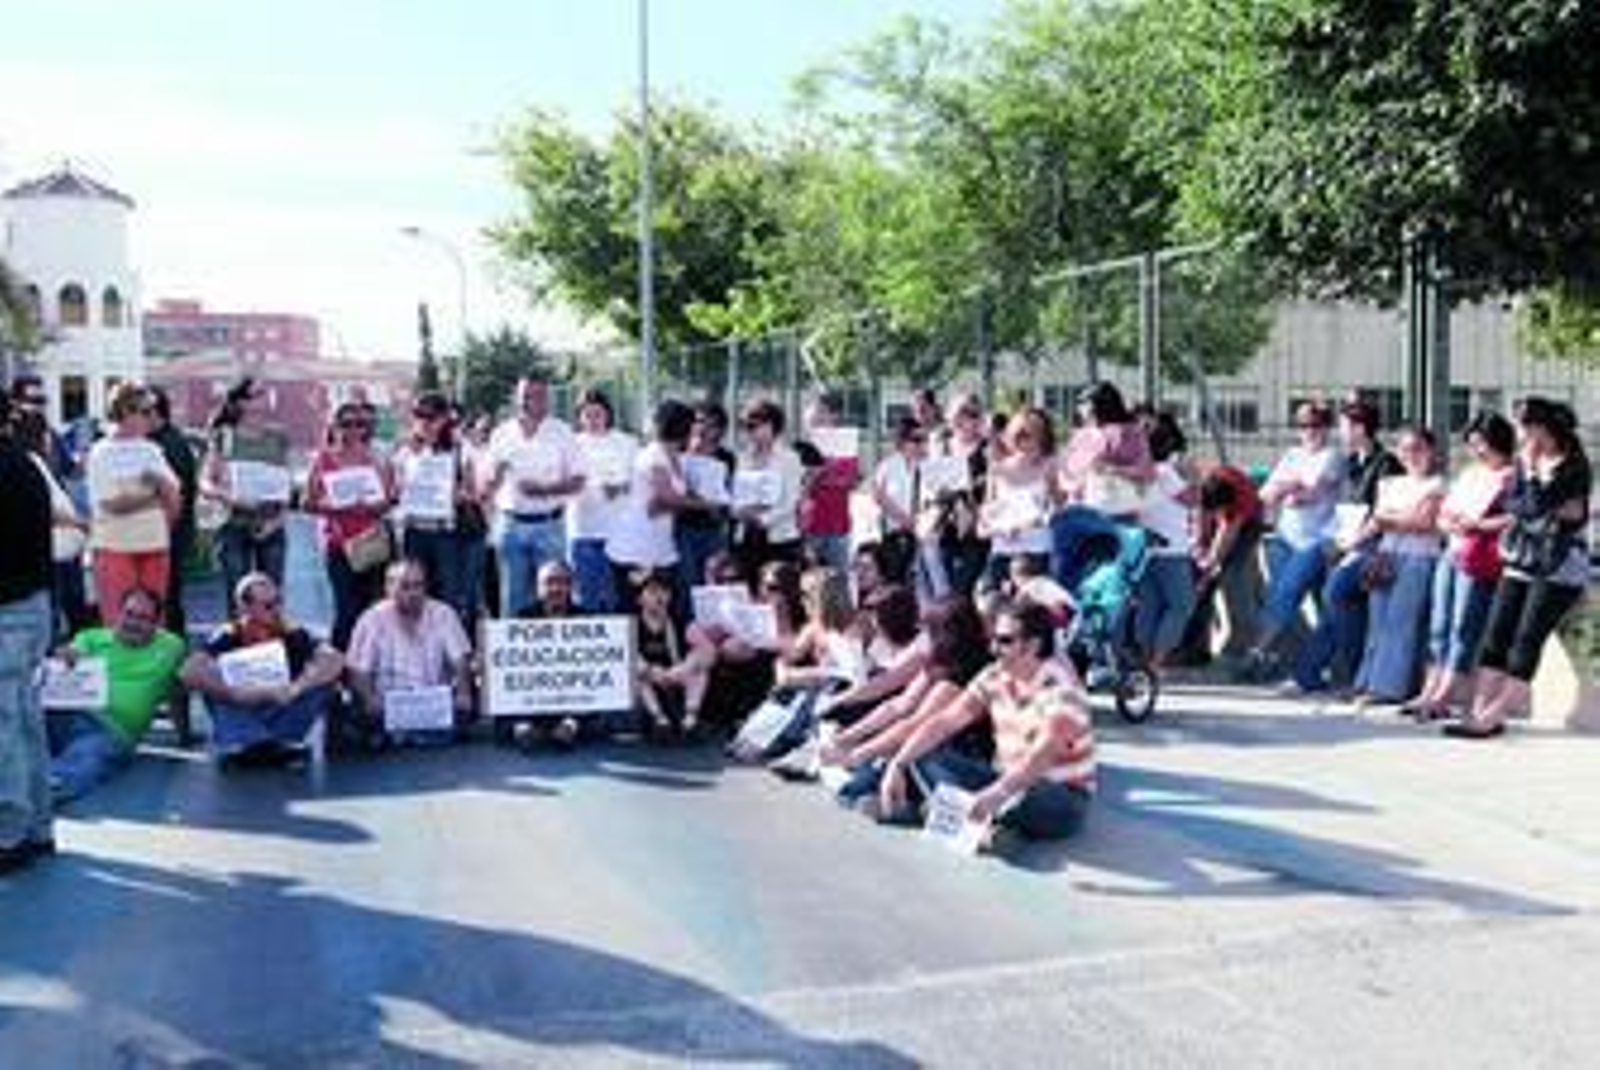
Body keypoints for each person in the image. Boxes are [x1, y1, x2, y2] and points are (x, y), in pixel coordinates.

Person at [875, 600, 1095, 845]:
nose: (993, 648)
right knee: (924, 752)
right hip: (1004, 777)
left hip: (1058, 794)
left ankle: (947, 814)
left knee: (1021, 796)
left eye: (1004, 641)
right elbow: (946, 721)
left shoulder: (1062, 691)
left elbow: (1040, 756)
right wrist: (898, 763)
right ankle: (989, 828)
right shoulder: (994, 675)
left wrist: (995, 794)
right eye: (993, 638)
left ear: (1033, 645)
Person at [1445, 398, 1593, 739]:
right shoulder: (1524, 463)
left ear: (1543, 427)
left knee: (1526, 639)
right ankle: (1480, 711)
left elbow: (1534, 504)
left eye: (1525, 427)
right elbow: (1513, 504)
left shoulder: (1573, 465)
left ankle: (1493, 716)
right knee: (1496, 635)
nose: (1520, 435)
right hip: (1521, 557)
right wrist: (1538, 497)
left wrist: (1530, 477)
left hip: (1558, 566)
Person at [1403, 412, 1517, 721]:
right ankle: (1429, 690)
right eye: (1472, 445)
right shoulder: (1470, 473)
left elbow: (1514, 518)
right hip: (1452, 552)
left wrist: (1476, 523)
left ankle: (1444, 695)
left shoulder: (1511, 476)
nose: (1477, 451)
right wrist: (1449, 521)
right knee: (1439, 626)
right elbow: (1445, 511)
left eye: (1481, 444)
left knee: (1463, 628)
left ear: (1498, 441)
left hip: (1478, 557)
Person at [1290, 397, 1405, 695]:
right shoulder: (1353, 462)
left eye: (1344, 426)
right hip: (1348, 541)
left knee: (1336, 593)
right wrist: (1339, 539)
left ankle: (1353, 674)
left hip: (1374, 546)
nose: (1340, 432)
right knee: (1335, 604)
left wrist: (1355, 539)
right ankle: (1309, 672)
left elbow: (1383, 511)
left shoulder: (1386, 463)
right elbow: (1346, 507)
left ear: (1360, 428)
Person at [180, 573, 344, 769]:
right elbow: (188, 671)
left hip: (280, 704)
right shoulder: (228, 633)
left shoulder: (290, 630)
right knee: (209, 682)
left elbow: (334, 659)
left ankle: (270, 744)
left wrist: (298, 687)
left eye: (278, 602)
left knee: (325, 683)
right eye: (268, 605)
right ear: (244, 607)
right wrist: (231, 692)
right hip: (243, 706)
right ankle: (256, 744)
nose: (276, 610)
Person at [44, 587, 185, 802]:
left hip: (111, 731)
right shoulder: (91, 637)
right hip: (66, 715)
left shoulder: (171, 647)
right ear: (118, 614)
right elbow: (72, 654)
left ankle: (37, 792)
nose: (133, 623)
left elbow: (179, 688)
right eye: (128, 614)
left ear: (157, 623)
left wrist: (184, 733)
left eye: (143, 618)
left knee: (86, 758)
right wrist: (66, 656)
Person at [1241, 400, 1342, 681]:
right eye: (1303, 425)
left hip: (1314, 540)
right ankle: (1302, 660)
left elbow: (1310, 494)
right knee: (1282, 598)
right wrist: (1292, 486)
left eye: (1316, 424)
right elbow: (1266, 495)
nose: (1309, 431)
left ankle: (1258, 653)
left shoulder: (1331, 456)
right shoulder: (1292, 454)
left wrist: (1290, 488)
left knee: (1286, 594)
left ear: (1326, 427)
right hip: (1283, 537)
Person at [0, 389, 57, 873]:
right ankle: (37, 826)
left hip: (9, 611)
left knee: (5, 725)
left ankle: (9, 832)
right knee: (24, 718)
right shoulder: (24, 464)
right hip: (30, 605)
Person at [1348, 426, 1447, 704]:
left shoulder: (1438, 484)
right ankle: (1366, 681)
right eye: (1405, 449)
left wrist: (1388, 518)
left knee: (1399, 623)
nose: (1411, 455)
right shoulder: (1390, 483)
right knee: (1377, 623)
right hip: (1385, 556)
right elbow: (1376, 521)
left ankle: (1386, 688)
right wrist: (1359, 537)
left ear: (1431, 451)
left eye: (1418, 448)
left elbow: (1424, 523)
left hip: (1419, 558)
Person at [345, 559, 474, 748]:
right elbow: (358, 670)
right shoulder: (371, 619)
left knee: (465, 709)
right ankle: (408, 736)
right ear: (388, 588)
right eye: (405, 586)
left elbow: (460, 659)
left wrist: (464, 692)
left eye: (418, 586)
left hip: (432, 703)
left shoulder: (444, 613)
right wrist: (370, 699)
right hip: (389, 704)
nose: (413, 593)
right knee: (362, 717)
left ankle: (404, 737)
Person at [487, 375, 585, 622]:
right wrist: (493, 478)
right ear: (516, 397)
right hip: (511, 524)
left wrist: (544, 490)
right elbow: (487, 484)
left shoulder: (562, 431)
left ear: (547, 399)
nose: (531, 400)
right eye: (525, 395)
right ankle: (512, 657)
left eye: (538, 395)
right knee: (513, 598)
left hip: (550, 525)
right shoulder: (501, 433)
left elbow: (578, 480)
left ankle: (555, 655)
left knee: (556, 597)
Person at [86, 383, 180, 626]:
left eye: (153, 411)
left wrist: (158, 489)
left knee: (154, 620)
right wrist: (155, 496)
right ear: (125, 412)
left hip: (155, 545)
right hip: (114, 547)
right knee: (119, 620)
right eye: (146, 411)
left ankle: (155, 665)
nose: (153, 418)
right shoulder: (101, 452)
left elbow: (175, 499)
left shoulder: (152, 450)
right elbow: (112, 505)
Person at [306, 401, 395, 650]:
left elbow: (387, 500)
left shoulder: (377, 458)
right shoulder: (323, 459)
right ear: (334, 426)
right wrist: (335, 507)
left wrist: (372, 506)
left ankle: (368, 664)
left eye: (360, 424)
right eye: (346, 424)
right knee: (346, 609)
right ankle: (339, 668)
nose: (353, 430)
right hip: (338, 543)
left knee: (373, 609)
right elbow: (306, 502)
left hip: (371, 541)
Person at [392, 392, 484, 634]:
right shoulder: (405, 451)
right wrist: (400, 489)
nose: (424, 422)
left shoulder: (459, 450)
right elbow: (394, 489)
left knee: (449, 600)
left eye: (431, 416)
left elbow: (475, 493)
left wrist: (455, 495)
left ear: (444, 419)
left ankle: (452, 656)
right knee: (412, 596)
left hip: (447, 535)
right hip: (414, 531)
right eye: (419, 416)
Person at [607, 399, 708, 616]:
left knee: (660, 613)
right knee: (634, 614)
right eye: (693, 424)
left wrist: (686, 502)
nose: (696, 430)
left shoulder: (673, 455)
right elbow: (666, 498)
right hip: (635, 551)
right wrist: (706, 504)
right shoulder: (655, 455)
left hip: (659, 547)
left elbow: (661, 505)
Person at [200, 378, 293, 600]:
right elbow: (205, 482)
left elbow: (285, 485)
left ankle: (270, 636)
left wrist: (277, 521)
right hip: (233, 525)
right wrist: (230, 498)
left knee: (272, 599)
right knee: (238, 598)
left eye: (265, 391)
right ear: (242, 402)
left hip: (272, 527)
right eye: (258, 393)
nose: (266, 396)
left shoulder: (279, 437)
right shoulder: (224, 436)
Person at [16, 408, 90, 639]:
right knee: (55, 617)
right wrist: (80, 523)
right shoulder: (30, 463)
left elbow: (73, 472)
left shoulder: (33, 462)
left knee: (64, 613)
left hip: (62, 552)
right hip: (53, 554)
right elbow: (45, 510)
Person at [1134, 413, 1198, 672]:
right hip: (1171, 548)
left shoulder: (1139, 472)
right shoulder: (1164, 472)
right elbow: (1192, 499)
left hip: (1145, 547)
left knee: (1150, 604)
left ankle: (1144, 658)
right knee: (1182, 604)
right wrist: (1193, 476)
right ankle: (1156, 662)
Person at [568, 388, 638, 612]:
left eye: (598, 413)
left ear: (608, 414)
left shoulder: (627, 443)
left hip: (619, 533)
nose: (593, 420)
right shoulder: (571, 444)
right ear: (579, 417)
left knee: (617, 598)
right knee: (586, 597)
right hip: (583, 532)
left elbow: (640, 481)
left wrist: (620, 487)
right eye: (587, 414)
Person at [1188, 464, 1265, 664]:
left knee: (1232, 578)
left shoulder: (1240, 500)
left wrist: (1212, 562)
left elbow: (1227, 533)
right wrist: (1199, 546)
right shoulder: (1205, 487)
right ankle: (1196, 649)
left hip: (1250, 525)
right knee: (1202, 584)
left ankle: (1241, 645)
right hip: (1220, 510)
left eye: (1219, 511)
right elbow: (1200, 517)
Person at [982, 408, 1058, 593]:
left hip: (1036, 549)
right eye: (1018, 437)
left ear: (1041, 438)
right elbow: (986, 512)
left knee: (1030, 607)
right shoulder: (997, 469)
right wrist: (998, 528)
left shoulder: (1050, 467)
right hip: (1002, 547)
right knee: (988, 600)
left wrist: (1031, 523)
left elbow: (1055, 508)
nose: (1024, 444)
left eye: (1030, 437)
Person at [732, 398, 806, 580]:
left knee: (779, 591)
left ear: (772, 426)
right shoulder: (742, 458)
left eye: (755, 426)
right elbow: (736, 495)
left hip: (780, 537)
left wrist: (763, 519)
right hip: (747, 536)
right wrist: (738, 512)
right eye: (746, 426)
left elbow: (791, 500)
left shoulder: (789, 458)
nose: (750, 432)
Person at [1059, 381, 1153, 518]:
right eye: (1080, 403)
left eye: (1083, 403)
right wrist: (1073, 486)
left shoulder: (1128, 433)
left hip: (1116, 511)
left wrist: (1112, 470)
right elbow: (1064, 470)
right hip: (1080, 509)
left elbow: (1146, 471)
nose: (1079, 408)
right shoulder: (1079, 435)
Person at [146, 385, 198, 637]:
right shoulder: (155, 441)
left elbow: (175, 497)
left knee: (166, 597)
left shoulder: (172, 444)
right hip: (159, 533)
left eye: (142, 411)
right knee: (162, 596)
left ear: (156, 413)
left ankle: (174, 652)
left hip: (169, 534)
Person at [797, 392, 859, 573]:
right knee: (808, 579)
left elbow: (851, 482)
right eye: (814, 418)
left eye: (823, 414)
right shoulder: (799, 450)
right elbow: (799, 489)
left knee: (839, 581)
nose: (820, 420)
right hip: (810, 526)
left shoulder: (846, 446)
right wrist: (816, 474)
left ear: (833, 418)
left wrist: (846, 478)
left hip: (839, 525)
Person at [675, 401, 734, 590]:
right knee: (687, 582)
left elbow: (728, 495)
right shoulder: (678, 452)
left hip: (714, 530)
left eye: (711, 424)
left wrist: (720, 511)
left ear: (720, 430)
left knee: (714, 582)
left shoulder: (726, 458)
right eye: (699, 421)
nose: (703, 428)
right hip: (683, 530)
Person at [871, 415, 932, 589]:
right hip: (895, 534)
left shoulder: (928, 465)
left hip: (924, 533)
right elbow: (878, 496)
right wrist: (904, 519)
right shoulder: (888, 466)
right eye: (916, 439)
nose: (921, 444)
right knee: (896, 579)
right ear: (903, 441)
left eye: (924, 439)